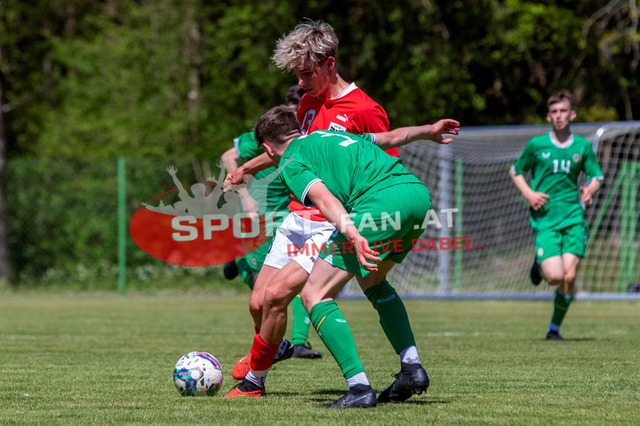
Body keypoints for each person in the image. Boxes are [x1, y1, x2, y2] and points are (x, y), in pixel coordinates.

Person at [225, 20, 429, 404]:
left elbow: (380, 158)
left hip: (334, 217)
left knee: (291, 294)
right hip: (299, 214)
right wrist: (245, 169)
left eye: (306, 73)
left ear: (329, 64)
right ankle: (408, 366)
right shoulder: (306, 103)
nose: (300, 82)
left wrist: (361, 225)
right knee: (260, 302)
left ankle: (258, 380)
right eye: (297, 75)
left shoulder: (365, 108)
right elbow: (293, 152)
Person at [224, 106, 459, 407]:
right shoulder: (333, 136)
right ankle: (411, 367)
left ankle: (359, 388)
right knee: (373, 280)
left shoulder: (291, 163)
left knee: (315, 295)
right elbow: (392, 137)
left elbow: (324, 199)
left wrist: (355, 235)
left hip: (378, 204)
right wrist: (429, 130)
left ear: (268, 148)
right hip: (416, 196)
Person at [220, 85, 321, 359]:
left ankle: (296, 343)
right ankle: (240, 261)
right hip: (261, 217)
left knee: (302, 279)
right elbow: (228, 156)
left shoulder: (308, 135)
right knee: (261, 291)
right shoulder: (274, 132)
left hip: (290, 217)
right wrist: (244, 195)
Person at [509, 90, 603, 341]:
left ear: (572, 114)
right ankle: (540, 266)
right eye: (554, 112)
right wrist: (529, 194)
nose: (559, 116)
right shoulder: (537, 145)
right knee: (555, 277)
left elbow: (596, 177)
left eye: (563, 111)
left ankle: (553, 329)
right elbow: (515, 171)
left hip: (573, 217)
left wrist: (589, 189)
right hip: (546, 219)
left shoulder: (582, 146)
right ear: (548, 116)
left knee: (569, 277)